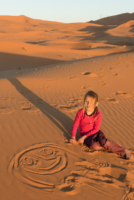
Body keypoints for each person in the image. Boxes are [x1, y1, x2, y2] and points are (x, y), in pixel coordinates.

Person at [69, 90, 133, 160]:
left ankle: (124, 151)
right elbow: (75, 124)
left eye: (91, 102)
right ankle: (113, 146)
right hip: (87, 137)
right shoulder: (81, 112)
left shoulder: (98, 114)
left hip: (96, 133)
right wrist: (73, 137)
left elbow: (96, 129)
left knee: (104, 142)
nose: (88, 104)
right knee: (93, 146)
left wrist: (83, 137)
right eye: (87, 101)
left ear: (96, 104)